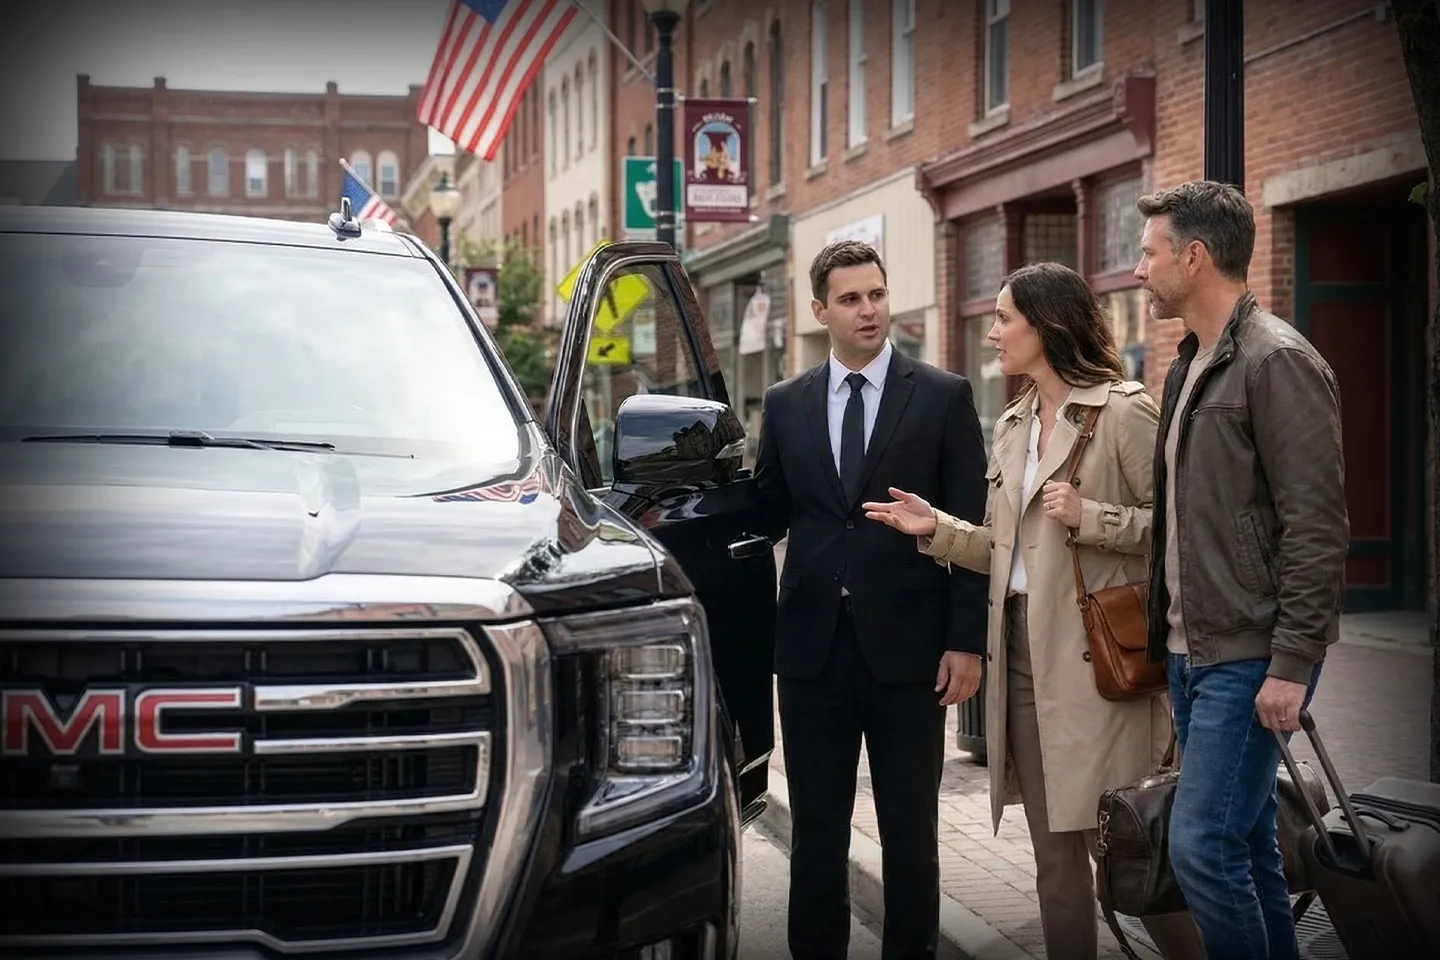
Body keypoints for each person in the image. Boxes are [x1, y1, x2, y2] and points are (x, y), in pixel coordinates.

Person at [863, 262, 1204, 960]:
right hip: (1018, 656)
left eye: (1003, 319)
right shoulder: (1015, 422)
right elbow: (1005, 549)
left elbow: (1182, 528)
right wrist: (937, 529)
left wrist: (1093, 516)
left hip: (1098, 662)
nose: (992, 334)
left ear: (1046, 326)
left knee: (1129, 846)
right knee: (1053, 859)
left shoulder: (1122, 411)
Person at [753, 239, 988, 960]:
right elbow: (765, 515)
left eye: (877, 295)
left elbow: (973, 528)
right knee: (817, 834)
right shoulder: (785, 404)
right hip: (812, 652)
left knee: (911, 835)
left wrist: (967, 641)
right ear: (820, 310)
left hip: (911, 653)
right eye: (851, 298)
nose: (868, 310)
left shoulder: (943, 396)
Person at [1134, 180, 1348, 960]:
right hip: (1193, 653)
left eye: (1150, 252)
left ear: (1194, 256)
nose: (1139, 268)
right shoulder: (1188, 364)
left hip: (1251, 653)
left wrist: (1293, 663)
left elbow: (1317, 526)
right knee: (1248, 842)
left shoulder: (1277, 360)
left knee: (1200, 846)